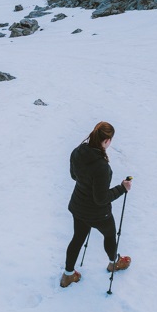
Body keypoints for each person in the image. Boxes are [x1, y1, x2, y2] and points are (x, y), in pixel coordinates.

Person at [61, 121, 131, 288]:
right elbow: (101, 198)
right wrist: (122, 188)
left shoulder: (77, 151)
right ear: (106, 141)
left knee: (77, 238)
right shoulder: (101, 167)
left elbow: (73, 176)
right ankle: (114, 263)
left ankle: (68, 276)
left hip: (78, 205)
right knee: (110, 235)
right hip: (97, 213)